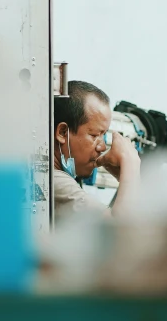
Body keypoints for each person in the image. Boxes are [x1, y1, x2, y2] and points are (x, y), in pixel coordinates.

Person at [53, 80, 140, 222]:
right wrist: (131, 166)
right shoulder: (55, 182)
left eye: (103, 135)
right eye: (94, 135)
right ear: (63, 133)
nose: (102, 147)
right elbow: (121, 231)